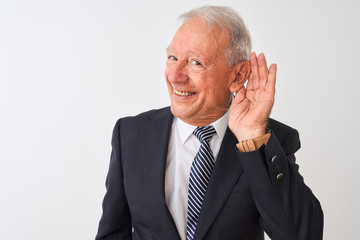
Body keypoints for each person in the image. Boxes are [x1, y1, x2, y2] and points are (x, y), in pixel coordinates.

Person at [95, 5, 323, 240]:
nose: (175, 76)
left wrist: (252, 137)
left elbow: (303, 235)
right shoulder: (132, 134)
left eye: (195, 63)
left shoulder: (269, 140)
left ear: (238, 75)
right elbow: (112, 234)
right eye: (173, 58)